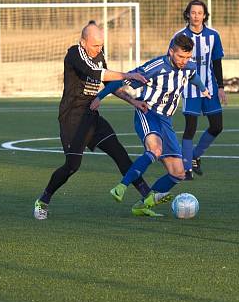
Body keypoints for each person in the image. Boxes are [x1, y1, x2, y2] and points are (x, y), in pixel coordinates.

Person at [33, 21, 159, 220]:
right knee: (72, 166)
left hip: (92, 117)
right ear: (83, 42)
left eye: (101, 45)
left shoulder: (99, 55)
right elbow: (96, 73)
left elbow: (108, 83)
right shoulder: (74, 54)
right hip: (73, 119)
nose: (99, 49)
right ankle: (43, 200)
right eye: (94, 45)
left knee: (119, 153)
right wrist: (128, 74)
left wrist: (133, 101)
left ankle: (147, 196)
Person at [91, 33, 211, 216]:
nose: (184, 61)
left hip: (166, 120)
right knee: (155, 149)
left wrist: (203, 89)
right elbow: (120, 81)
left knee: (178, 172)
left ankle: (142, 205)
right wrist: (100, 96)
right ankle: (121, 187)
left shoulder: (189, 66)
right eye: (180, 56)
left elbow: (193, 75)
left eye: (188, 57)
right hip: (148, 112)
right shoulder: (155, 67)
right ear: (171, 52)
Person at [171, 0, 226, 179]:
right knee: (190, 128)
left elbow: (216, 62)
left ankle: (194, 155)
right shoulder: (179, 36)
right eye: (193, 12)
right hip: (189, 89)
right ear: (188, 14)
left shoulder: (213, 35)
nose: (196, 16)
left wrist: (221, 87)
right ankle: (186, 169)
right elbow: (172, 61)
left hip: (209, 87)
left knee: (217, 126)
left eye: (199, 13)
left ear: (204, 15)